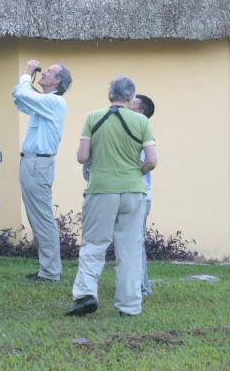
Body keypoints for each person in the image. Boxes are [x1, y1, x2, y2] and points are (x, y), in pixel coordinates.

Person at [67, 76, 157, 317]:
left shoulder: (93, 118)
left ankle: (86, 294)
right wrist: (137, 171)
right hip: (133, 190)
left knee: (94, 244)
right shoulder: (141, 121)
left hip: (100, 189)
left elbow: (82, 157)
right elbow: (152, 160)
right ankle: (129, 305)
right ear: (131, 97)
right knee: (129, 248)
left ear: (110, 95)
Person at [11, 60, 72, 282]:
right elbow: (19, 98)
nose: (43, 72)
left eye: (49, 72)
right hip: (32, 163)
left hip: (38, 164)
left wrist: (28, 74)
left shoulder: (55, 102)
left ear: (58, 81)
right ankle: (47, 268)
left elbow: (26, 95)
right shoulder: (45, 102)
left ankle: (50, 271)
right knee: (37, 216)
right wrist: (26, 79)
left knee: (42, 218)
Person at [131, 94, 156, 297]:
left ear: (139, 112)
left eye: (131, 104)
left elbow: (149, 162)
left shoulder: (141, 132)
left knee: (135, 242)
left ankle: (142, 287)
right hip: (134, 195)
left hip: (140, 197)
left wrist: (132, 172)